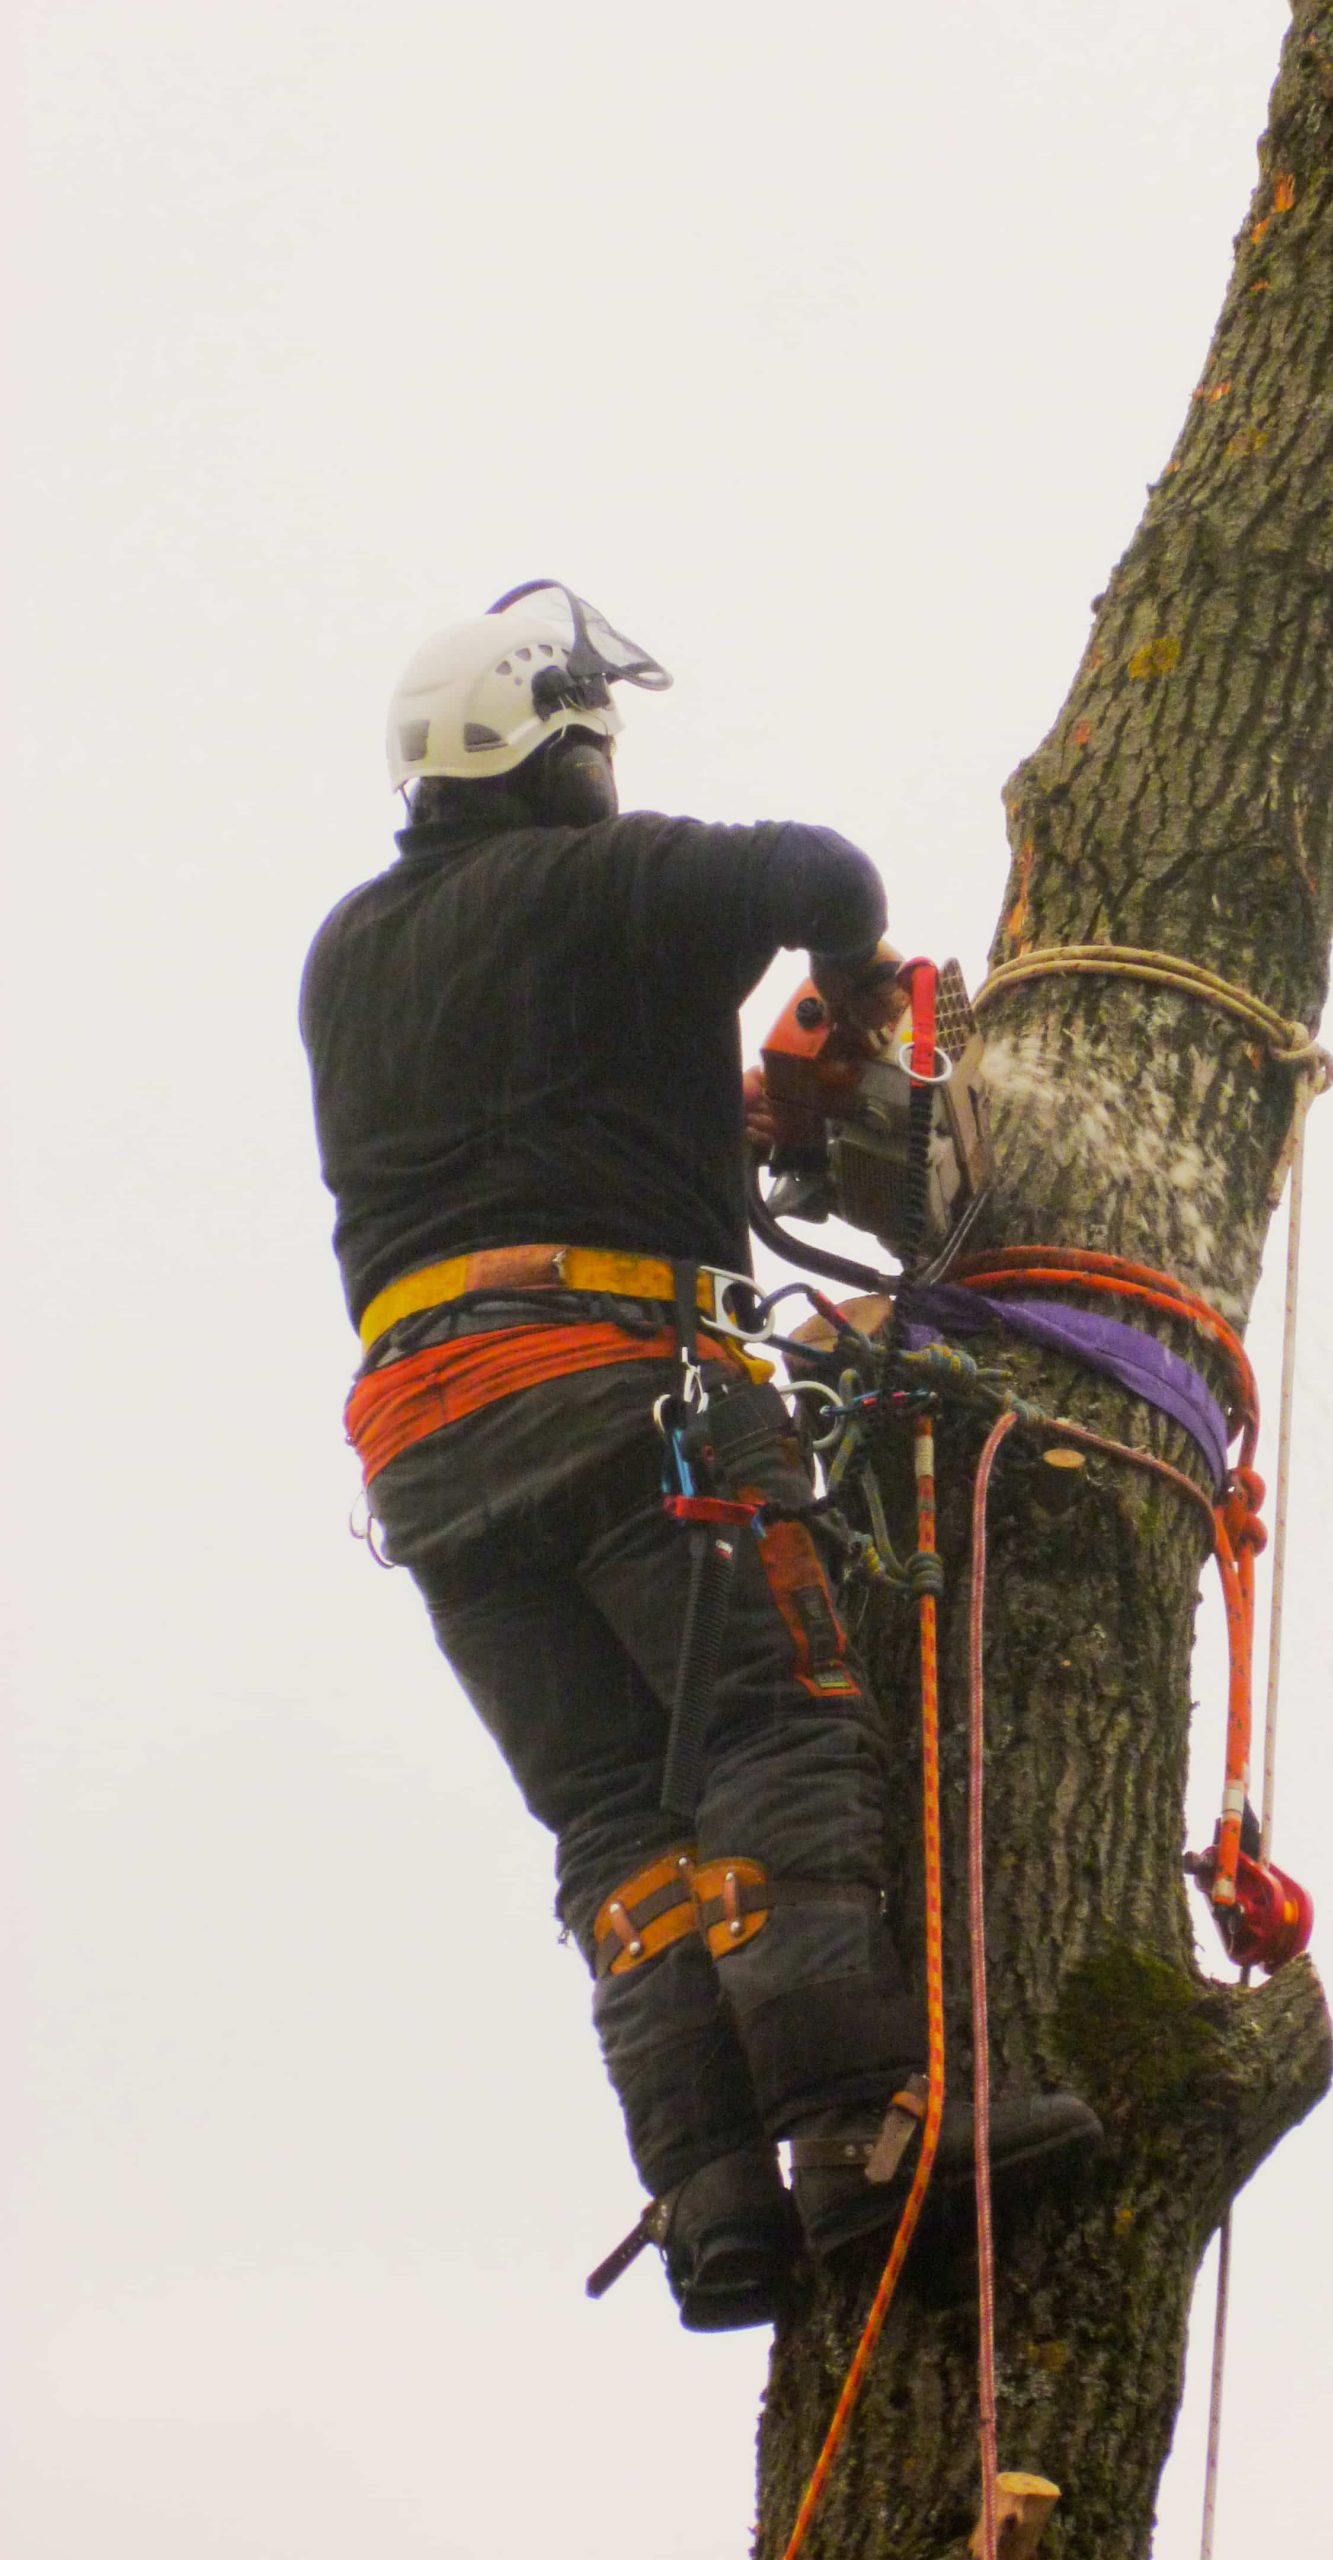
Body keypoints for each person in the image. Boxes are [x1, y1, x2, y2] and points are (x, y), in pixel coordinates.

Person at [299, 581, 1096, 2331]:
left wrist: (723, 1128)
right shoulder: (607, 879)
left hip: (429, 1447)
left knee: (614, 1822)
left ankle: (717, 2196)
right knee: (767, 1729)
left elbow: (533, 1116)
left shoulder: (349, 954)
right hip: (623, 1392)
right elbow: (827, 874)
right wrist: (850, 1001)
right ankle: (864, 2139)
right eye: (593, 739)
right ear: (550, 749)